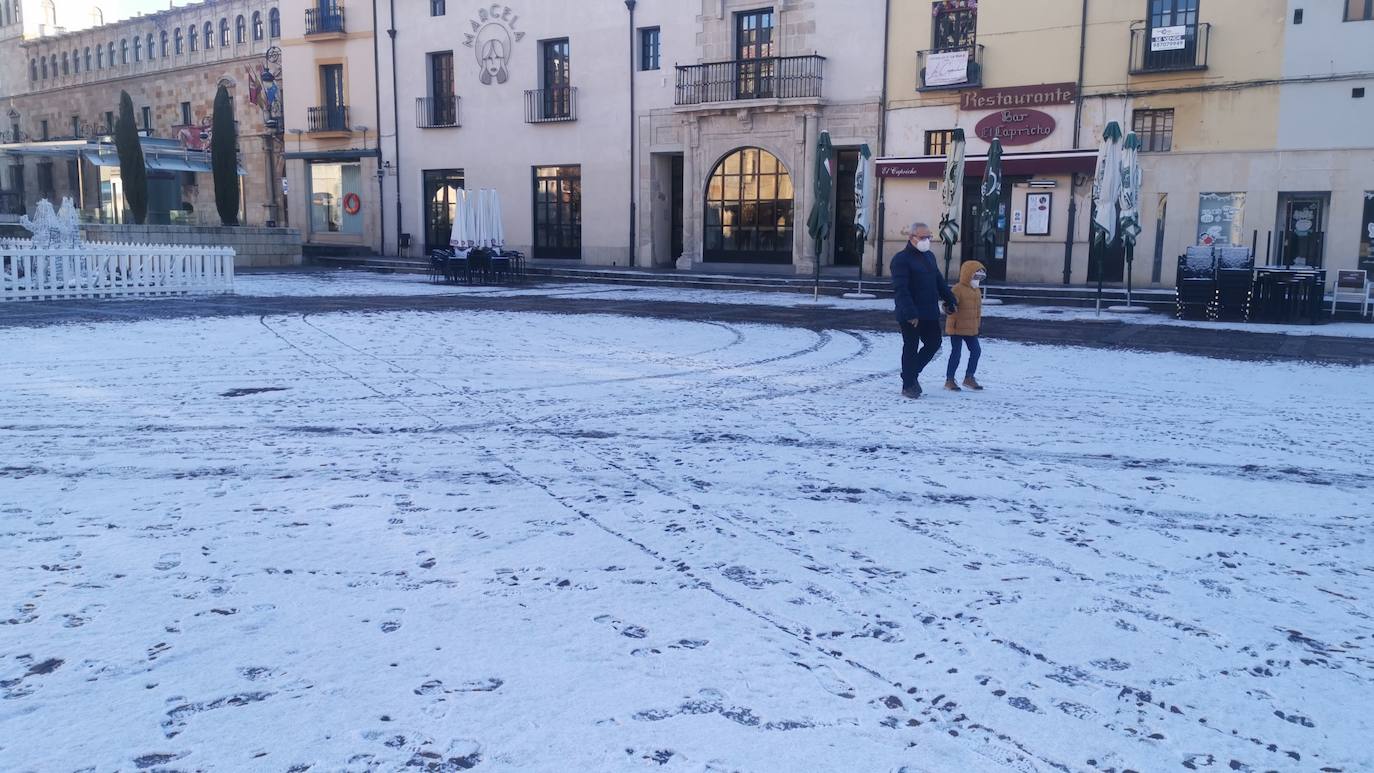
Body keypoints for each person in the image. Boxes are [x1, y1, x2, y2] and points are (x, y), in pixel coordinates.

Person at [891, 222, 957, 399]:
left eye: (929, 237)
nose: (926, 240)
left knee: (934, 343)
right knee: (911, 347)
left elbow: (938, 281)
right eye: (923, 237)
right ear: (911, 237)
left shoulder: (929, 257)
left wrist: (950, 299)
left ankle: (910, 375)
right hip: (910, 313)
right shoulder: (901, 259)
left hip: (929, 311)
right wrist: (910, 312)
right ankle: (908, 385)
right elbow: (901, 289)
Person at [944, 260, 987, 392]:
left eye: (980, 277)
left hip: (971, 328)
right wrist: (949, 307)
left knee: (976, 351)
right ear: (968, 274)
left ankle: (969, 377)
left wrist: (977, 325)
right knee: (956, 353)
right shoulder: (958, 289)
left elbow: (977, 311)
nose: (977, 280)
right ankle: (949, 380)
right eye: (976, 276)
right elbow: (950, 302)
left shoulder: (977, 291)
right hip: (957, 327)